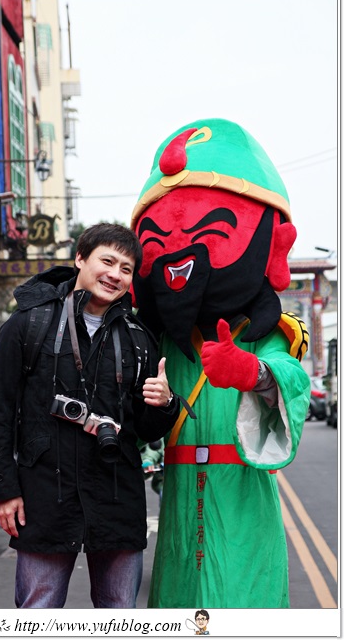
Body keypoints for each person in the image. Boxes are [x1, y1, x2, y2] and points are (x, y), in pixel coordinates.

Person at [130, 118, 311, 607]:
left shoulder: (265, 333)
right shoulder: (159, 340)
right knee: (179, 596)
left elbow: (291, 378)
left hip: (243, 490)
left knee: (242, 594)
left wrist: (253, 372)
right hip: (178, 488)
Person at [0, 222, 180, 609]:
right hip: (44, 499)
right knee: (38, 616)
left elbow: (144, 429)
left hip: (117, 500)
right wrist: (5, 491)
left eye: (126, 268)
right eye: (107, 261)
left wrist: (165, 403)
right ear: (80, 259)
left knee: (119, 617)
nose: (115, 274)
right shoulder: (29, 324)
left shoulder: (138, 337)